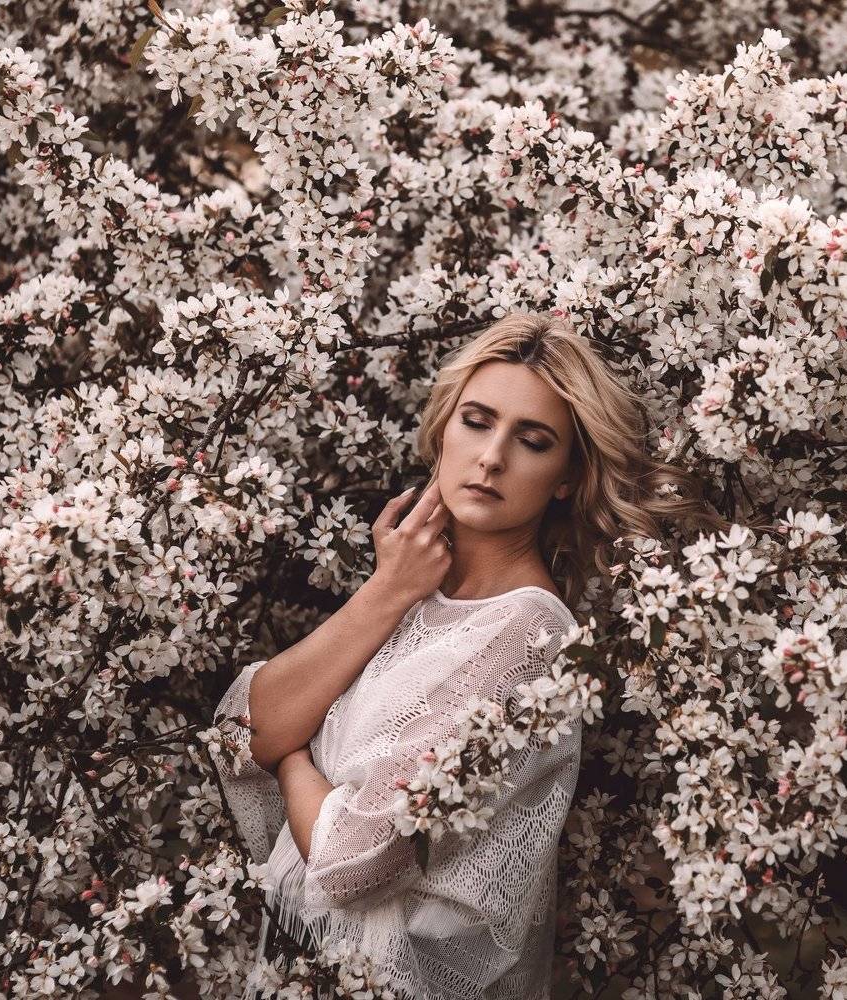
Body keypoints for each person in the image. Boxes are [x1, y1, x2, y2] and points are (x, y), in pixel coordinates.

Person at [209, 311, 723, 999]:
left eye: (532, 441)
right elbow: (240, 731)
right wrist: (386, 591)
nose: (492, 458)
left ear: (566, 477)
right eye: (477, 422)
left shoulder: (528, 636)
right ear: (443, 429)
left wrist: (291, 754)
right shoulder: (411, 591)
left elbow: (348, 859)